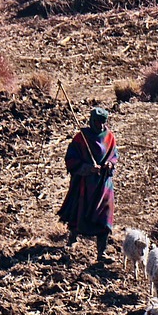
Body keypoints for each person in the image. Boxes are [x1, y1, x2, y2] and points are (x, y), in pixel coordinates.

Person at [58, 107, 119, 264]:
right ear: (91, 121)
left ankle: (102, 252)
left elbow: (114, 156)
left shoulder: (109, 137)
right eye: (97, 123)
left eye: (102, 123)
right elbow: (70, 159)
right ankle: (72, 239)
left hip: (104, 185)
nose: (100, 126)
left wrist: (109, 165)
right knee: (79, 212)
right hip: (85, 184)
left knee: (105, 217)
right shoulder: (81, 138)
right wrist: (87, 168)